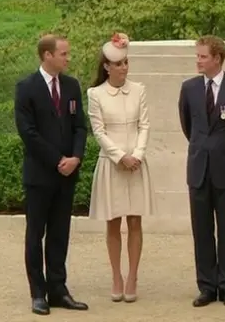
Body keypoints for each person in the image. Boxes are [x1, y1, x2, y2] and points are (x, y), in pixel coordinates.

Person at [177, 35, 225, 308]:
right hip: (199, 169)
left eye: (202, 56)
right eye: (197, 56)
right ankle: (206, 286)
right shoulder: (189, 89)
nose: (198, 61)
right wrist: (204, 150)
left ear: (217, 59)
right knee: (201, 230)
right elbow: (187, 125)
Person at [14, 34, 88, 315]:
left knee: (60, 233)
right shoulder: (26, 88)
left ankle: (58, 289)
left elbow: (79, 126)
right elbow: (28, 133)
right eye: (64, 54)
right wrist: (57, 159)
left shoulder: (71, 86)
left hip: (67, 174)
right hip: (40, 174)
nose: (68, 58)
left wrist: (76, 158)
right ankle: (38, 293)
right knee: (36, 233)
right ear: (47, 55)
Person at [87, 32, 153, 303]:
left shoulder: (139, 90)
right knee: (113, 221)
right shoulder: (95, 94)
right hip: (112, 163)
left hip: (136, 163)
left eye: (126, 63)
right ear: (107, 67)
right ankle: (116, 275)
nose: (124, 68)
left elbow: (144, 125)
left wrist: (136, 154)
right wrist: (119, 156)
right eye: (118, 64)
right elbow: (98, 131)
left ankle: (133, 275)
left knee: (135, 220)